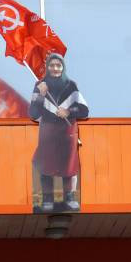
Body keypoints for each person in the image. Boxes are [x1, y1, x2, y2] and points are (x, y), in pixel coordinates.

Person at [29, 53, 89, 211]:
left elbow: (84, 110)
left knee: (68, 165)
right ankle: (47, 198)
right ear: (47, 67)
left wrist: (69, 111)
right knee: (46, 164)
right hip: (48, 131)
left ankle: (69, 198)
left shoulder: (71, 86)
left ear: (63, 68)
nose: (55, 68)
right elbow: (33, 113)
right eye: (52, 65)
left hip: (67, 132)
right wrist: (41, 96)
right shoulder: (40, 85)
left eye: (58, 65)